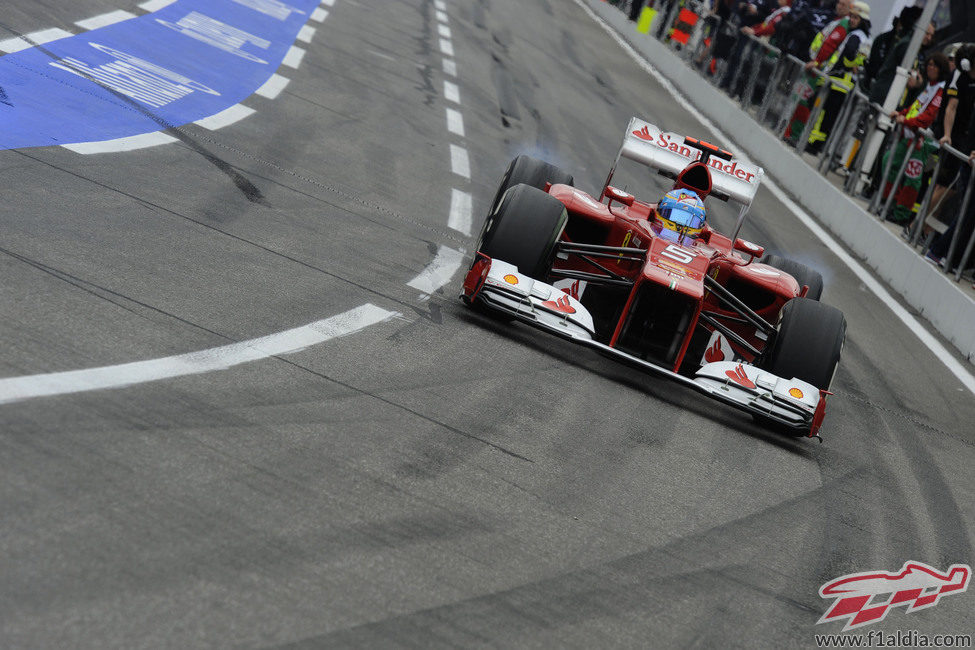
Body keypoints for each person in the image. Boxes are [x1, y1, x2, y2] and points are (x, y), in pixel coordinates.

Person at [880, 53, 951, 224]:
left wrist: (907, 121)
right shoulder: (930, 86)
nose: (930, 68)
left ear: (941, 70)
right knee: (889, 161)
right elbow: (916, 108)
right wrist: (902, 113)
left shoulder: (941, 89)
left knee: (912, 177)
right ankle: (889, 202)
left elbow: (929, 116)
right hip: (911, 133)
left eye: (935, 65)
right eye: (929, 64)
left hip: (924, 139)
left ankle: (901, 214)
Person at [806, 1, 870, 155]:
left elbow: (849, 55)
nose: (852, 20)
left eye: (856, 18)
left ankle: (815, 144)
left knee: (825, 114)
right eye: (852, 17)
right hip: (842, 82)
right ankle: (815, 143)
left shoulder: (855, 35)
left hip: (838, 80)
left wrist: (845, 66)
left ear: (863, 21)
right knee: (826, 113)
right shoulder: (864, 36)